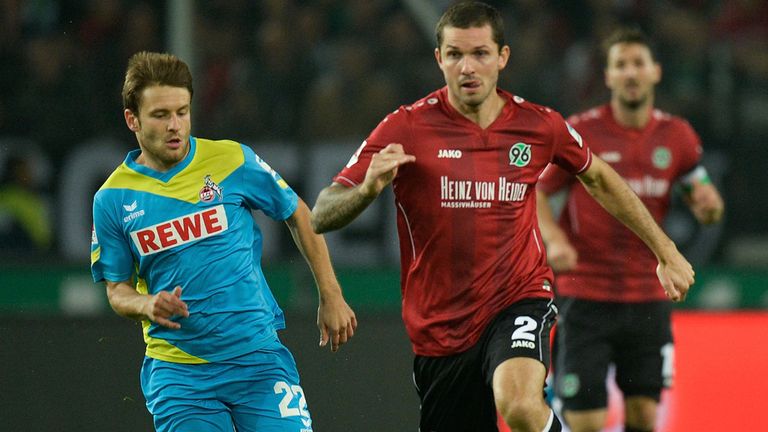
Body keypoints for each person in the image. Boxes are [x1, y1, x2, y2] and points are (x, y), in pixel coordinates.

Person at [310, 3, 693, 432]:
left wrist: (665, 251)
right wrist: (366, 191)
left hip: (518, 297)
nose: (467, 67)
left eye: (480, 53)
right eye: (455, 54)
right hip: (440, 327)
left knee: (521, 406)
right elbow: (322, 213)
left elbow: (600, 178)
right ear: (439, 59)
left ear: (503, 57)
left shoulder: (538, 125)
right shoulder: (405, 127)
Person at [90, 51, 357, 432]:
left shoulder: (232, 159)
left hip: (258, 360)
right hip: (181, 375)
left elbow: (297, 212)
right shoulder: (112, 198)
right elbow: (116, 290)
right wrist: (147, 303)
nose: (175, 126)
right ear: (132, 119)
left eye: (182, 112)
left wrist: (331, 294)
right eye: (161, 115)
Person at [536, 27, 724, 432]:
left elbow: (702, 194)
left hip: (648, 299)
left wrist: (709, 207)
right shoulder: (581, 132)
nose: (631, 73)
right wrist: (553, 238)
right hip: (585, 297)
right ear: (608, 76)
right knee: (586, 420)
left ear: (656, 71)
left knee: (642, 417)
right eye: (620, 65)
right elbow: (538, 193)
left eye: (638, 63)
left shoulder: (678, 137)